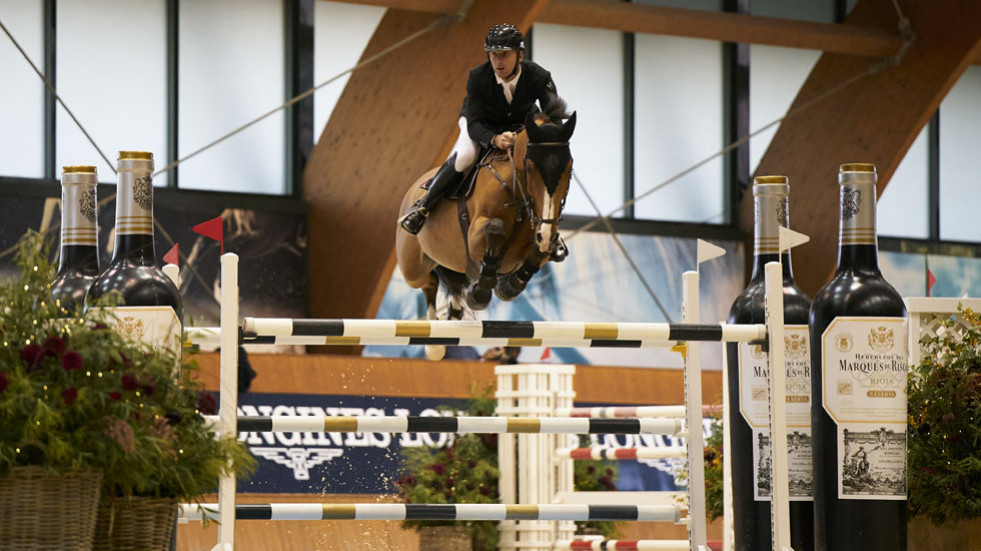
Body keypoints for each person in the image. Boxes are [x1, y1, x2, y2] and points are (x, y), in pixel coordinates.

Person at [399, 23, 564, 235]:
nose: (498, 61)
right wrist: (494, 139)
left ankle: (553, 228)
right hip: (481, 124)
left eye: (504, 54)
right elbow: (474, 123)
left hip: (520, 126)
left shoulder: (539, 76)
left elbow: (555, 114)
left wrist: (549, 143)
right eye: (493, 54)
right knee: (466, 156)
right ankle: (423, 206)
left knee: (548, 166)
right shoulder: (478, 77)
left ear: (520, 55)